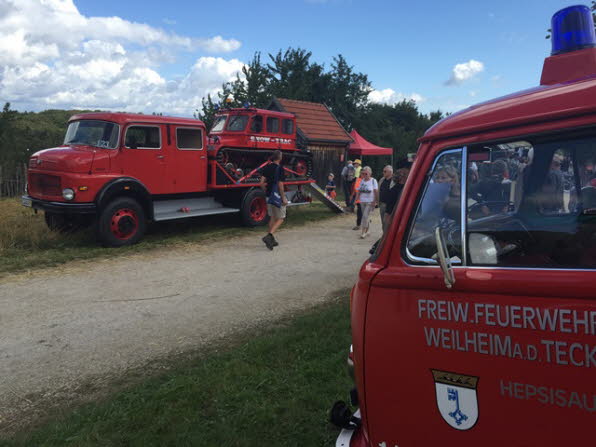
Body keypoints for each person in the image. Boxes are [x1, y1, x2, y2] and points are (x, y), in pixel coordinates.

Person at [259, 150, 288, 250]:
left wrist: (266, 191)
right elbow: (280, 184)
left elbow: (261, 183)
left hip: (269, 196)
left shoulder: (267, 167)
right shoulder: (280, 168)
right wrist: (283, 197)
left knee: (272, 217)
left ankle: (271, 240)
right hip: (277, 196)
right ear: (279, 158)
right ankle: (269, 236)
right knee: (281, 218)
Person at [355, 166, 379, 239]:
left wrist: (375, 202)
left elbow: (376, 192)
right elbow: (359, 190)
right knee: (365, 217)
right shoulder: (362, 180)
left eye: (366, 173)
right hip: (362, 201)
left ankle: (363, 232)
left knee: (365, 216)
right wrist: (356, 200)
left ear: (370, 173)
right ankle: (367, 230)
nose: (364, 175)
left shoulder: (373, 181)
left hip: (370, 201)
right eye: (363, 173)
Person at [378, 165, 394, 232]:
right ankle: (384, 236)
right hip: (382, 204)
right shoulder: (382, 180)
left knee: (390, 222)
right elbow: (378, 190)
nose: (383, 173)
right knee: (383, 222)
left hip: (391, 205)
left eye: (385, 171)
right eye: (383, 171)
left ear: (390, 172)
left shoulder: (394, 181)